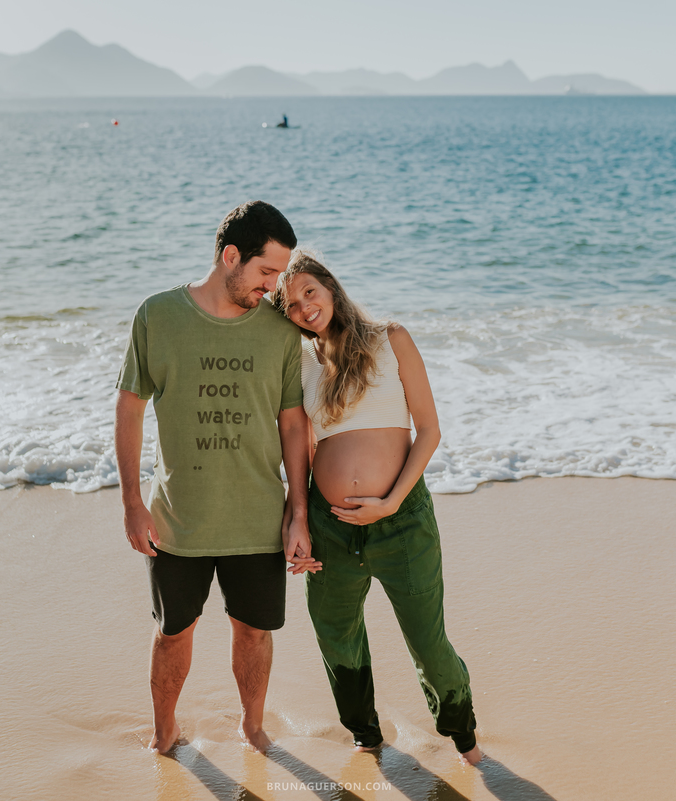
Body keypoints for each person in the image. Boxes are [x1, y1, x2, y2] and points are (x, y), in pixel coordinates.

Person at [115, 201, 321, 755]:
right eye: (264, 272)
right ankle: (165, 732)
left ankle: (252, 727)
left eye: (278, 274)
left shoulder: (279, 333)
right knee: (174, 632)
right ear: (230, 256)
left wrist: (298, 513)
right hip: (178, 518)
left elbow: (293, 427)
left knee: (255, 632)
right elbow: (129, 407)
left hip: (256, 519)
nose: (273, 286)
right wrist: (132, 502)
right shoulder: (157, 316)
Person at [273, 251, 483, 765]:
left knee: (428, 642)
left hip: (402, 522)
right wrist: (295, 520)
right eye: (291, 302)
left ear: (330, 287)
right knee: (335, 634)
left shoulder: (392, 339)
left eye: (309, 291)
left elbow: (429, 430)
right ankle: (365, 736)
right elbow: (300, 447)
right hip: (331, 527)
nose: (303, 306)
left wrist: (390, 503)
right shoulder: (300, 364)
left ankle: (466, 740)